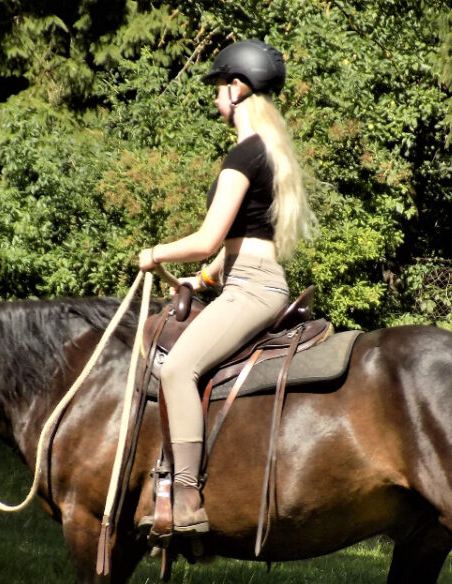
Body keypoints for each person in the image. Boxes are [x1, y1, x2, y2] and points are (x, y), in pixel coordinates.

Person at [138, 39, 315, 536]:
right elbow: (244, 240)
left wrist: (156, 254)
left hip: (252, 289)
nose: (215, 96)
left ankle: (188, 498)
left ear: (237, 89)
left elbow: (208, 237)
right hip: (248, 278)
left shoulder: (243, 154)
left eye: (219, 85)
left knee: (176, 371)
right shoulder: (268, 151)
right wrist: (207, 277)